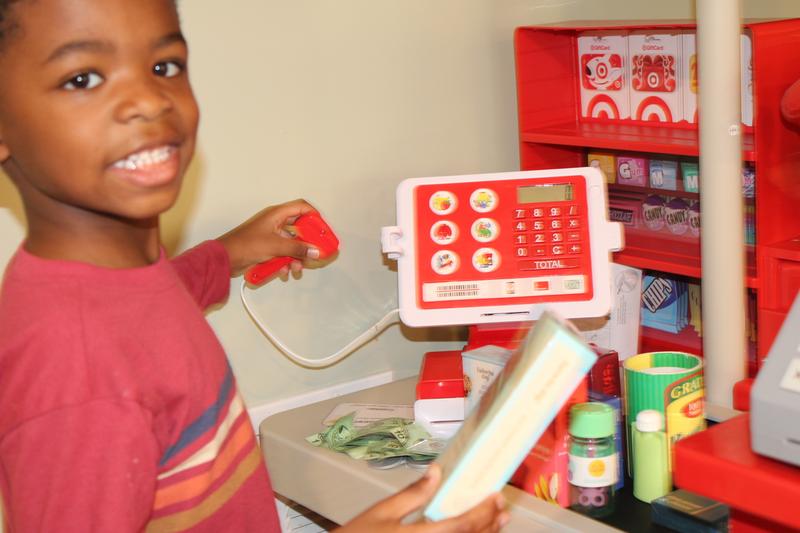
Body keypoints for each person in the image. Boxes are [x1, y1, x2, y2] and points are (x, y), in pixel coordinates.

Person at [0, 0, 510, 531]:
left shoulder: (107, 276)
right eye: (83, 77)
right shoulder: (75, 374)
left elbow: (145, 310)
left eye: (163, 66)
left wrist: (229, 254)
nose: (148, 100)